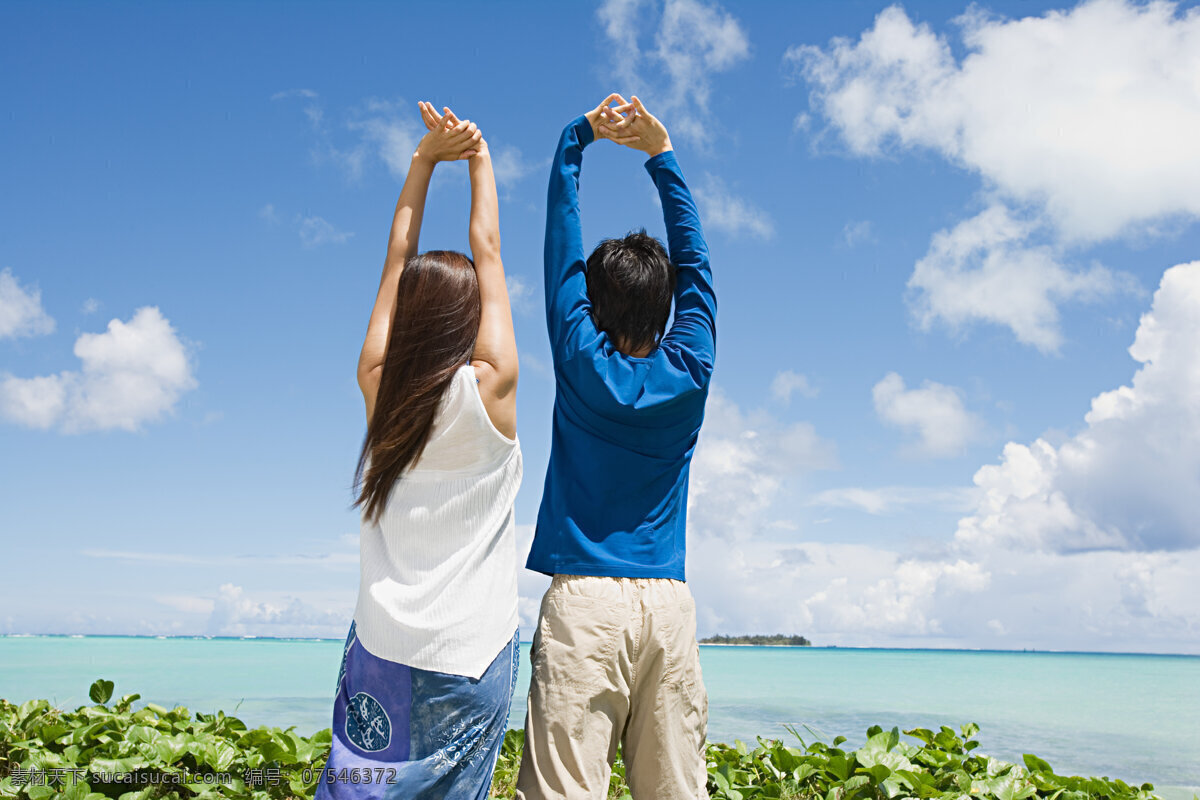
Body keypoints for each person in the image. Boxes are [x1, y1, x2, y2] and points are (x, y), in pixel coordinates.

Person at [314, 101, 523, 800]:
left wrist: (423, 160)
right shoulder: (492, 393)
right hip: (471, 653)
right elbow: (488, 250)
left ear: (406, 321)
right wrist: (480, 155)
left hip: (382, 647)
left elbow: (395, 260)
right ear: (472, 324)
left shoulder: (380, 389)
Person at [516, 94, 717, 800]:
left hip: (585, 605)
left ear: (591, 307)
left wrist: (576, 142)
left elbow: (560, 248)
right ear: (668, 310)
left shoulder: (579, 359)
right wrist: (661, 156)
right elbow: (696, 269)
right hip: (668, 605)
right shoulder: (691, 369)